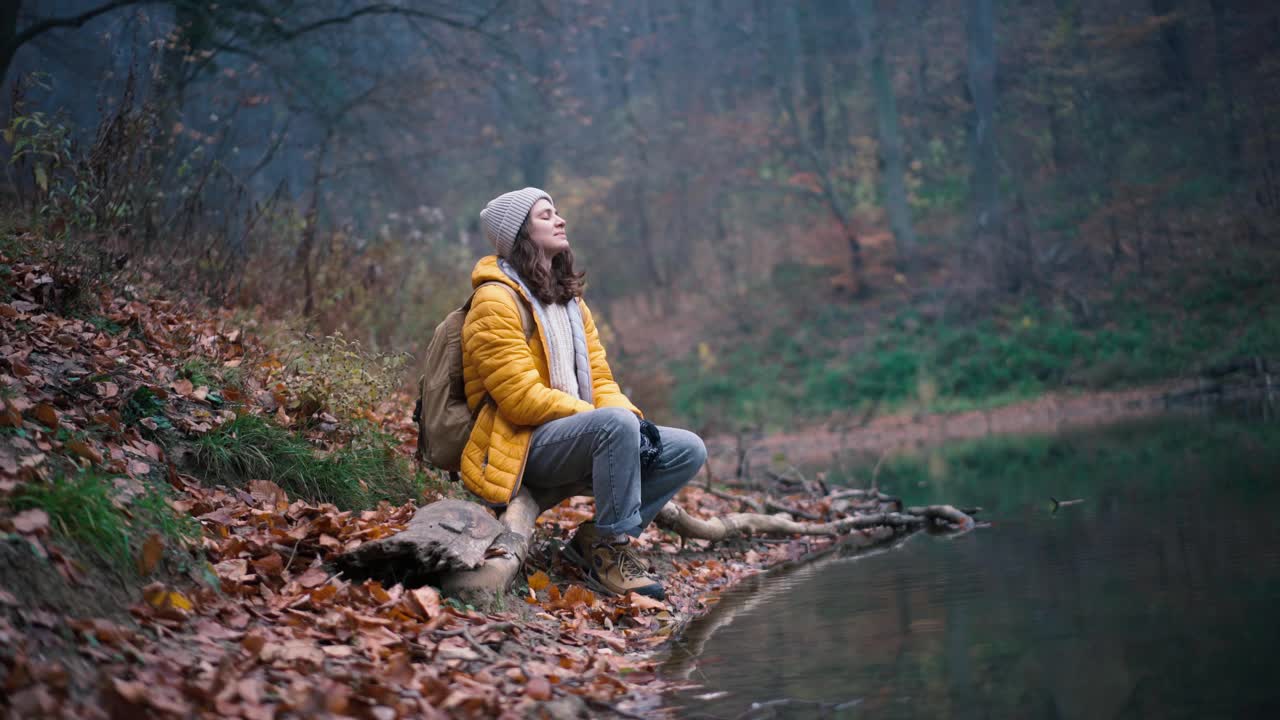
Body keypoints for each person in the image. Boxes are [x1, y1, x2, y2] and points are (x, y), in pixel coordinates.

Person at [459, 187, 706, 600]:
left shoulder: (569, 302)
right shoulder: (494, 301)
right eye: (546, 215)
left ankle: (593, 540)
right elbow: (520, 399)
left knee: (687, 448)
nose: (561, 220)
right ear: (520, 233)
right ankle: (612, 552)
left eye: (557, 212)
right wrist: (604, 421)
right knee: (614, 423)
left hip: (576, 434)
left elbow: (602, 380)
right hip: (520, 445)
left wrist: (636, 425)